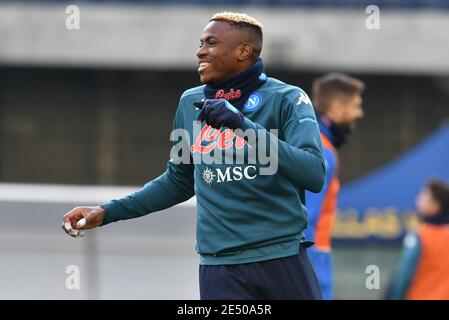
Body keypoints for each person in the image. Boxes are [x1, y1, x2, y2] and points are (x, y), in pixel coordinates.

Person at [62, 12, 326, 300]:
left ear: (243, 51)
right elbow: (179, 180)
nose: (199, 51)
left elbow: (313, 173)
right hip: (220, 267)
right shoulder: (190, 102)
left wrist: (242, 125)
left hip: (281, 259)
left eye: (210, 43)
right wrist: (107, 212)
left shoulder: (287, 98)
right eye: (201, 43)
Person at [303, 73, 365, 300]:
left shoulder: (314, 143)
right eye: (356, 106)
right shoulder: (323, 151)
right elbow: (306, 219)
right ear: (337, 108)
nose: (360, 113)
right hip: (313, 262)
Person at [386, 179, 449, 300]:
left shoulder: (420, 236)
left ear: (436, 205)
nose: (418, 200)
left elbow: (403, 277)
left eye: (424, 196)